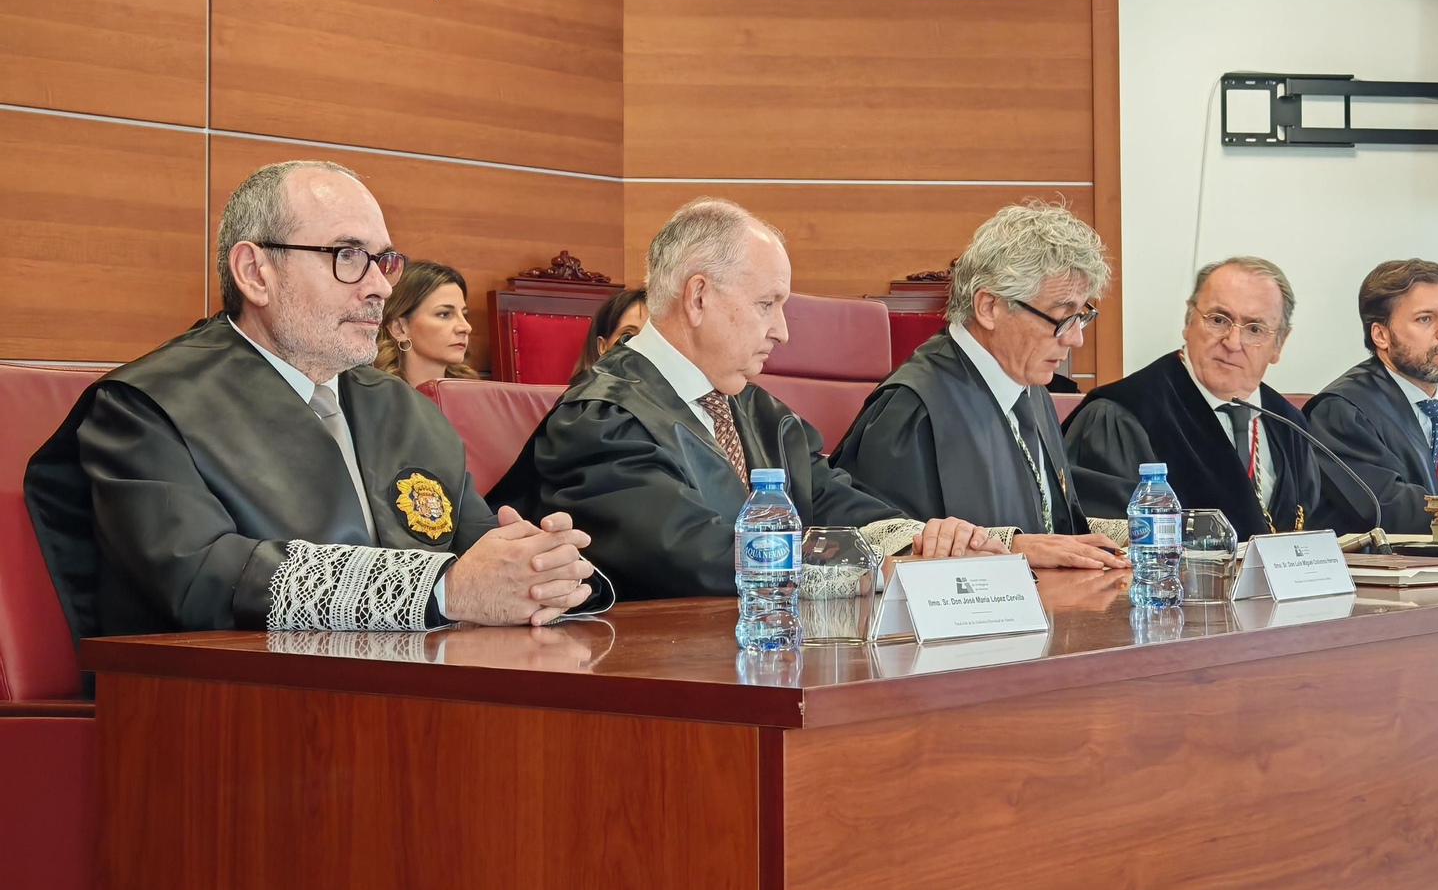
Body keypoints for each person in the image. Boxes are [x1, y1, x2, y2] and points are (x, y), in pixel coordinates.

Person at [24, 160, 612, 640]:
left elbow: (474, 545)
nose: (381, 284)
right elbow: (201, 577)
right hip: (231, 726)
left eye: (383, 259)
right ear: (256, 273)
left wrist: (538, 570)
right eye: (348, 256)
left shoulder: (399, 406)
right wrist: (440, 588)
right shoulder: (145, 407)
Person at [489, 197, 1000, 601]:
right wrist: (871, 569)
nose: (781, 332)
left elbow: (830, 497)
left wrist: (924, 543)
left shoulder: (757, 411)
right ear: (698, 297)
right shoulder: (600, 418)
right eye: (766, 304)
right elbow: (692, 550)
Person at [831, 201, 1126, 571]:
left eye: (1082, 315)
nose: (1076, 340)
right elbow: (889, 552)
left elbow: (1052, 525)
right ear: (988, 307)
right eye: (1063, 317)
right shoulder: (912, 409)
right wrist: (1011, 548)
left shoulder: (1029, 386)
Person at [1062, 257, 1319, 540]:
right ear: (1188, 320)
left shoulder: (1289, 425)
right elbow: (1100, 540)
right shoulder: (1120, 415)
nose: (1233, 343)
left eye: (1255, 329)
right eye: (1219, 320)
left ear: (1279, 343)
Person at [1305, 259, 1438, 537]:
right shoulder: (1341, 412)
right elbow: (1390, 509)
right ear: (1381, 335)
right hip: (1372, 576)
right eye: (1425, 318)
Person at [374, 259, 477, 387]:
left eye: (464, 315)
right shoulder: (376, 400)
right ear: (399, 328)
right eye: (444, 314)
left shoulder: (473, 397)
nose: (466, 327)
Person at [568, 286, 647, 382]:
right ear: (603, 346)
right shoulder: (587, 395)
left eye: (649, 335)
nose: (641, 345)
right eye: (627, 335)